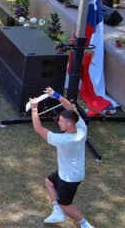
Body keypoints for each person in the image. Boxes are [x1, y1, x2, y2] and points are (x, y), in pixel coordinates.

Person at [29, 88, 95, 228]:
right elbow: (71, 108)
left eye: (61, 121)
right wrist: (56, 95)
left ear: (69, 123)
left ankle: (85, 225)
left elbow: (39, 129)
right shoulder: (81, 127)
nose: (58, 122)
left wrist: (34, 109)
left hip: (69, 178)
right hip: (69, 172)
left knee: (65, 204)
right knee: (49, 182)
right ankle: (57, 211)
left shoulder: (64, 140)